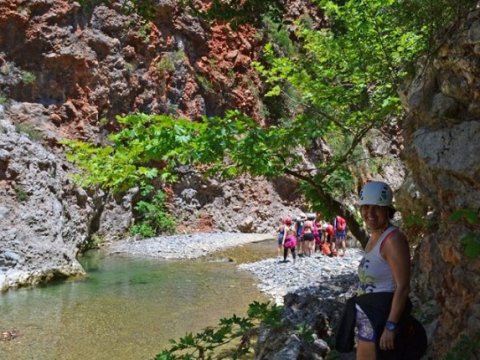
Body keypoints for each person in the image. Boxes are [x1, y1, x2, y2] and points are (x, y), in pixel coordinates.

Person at [335, 181, 425, 359]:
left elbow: (403, 286)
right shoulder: (374, 237)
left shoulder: (393, 240)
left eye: (377, 207)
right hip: (368, 316)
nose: (370, 213)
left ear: (387, 210)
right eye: (366, 207)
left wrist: (391, 326)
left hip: (382, 318)